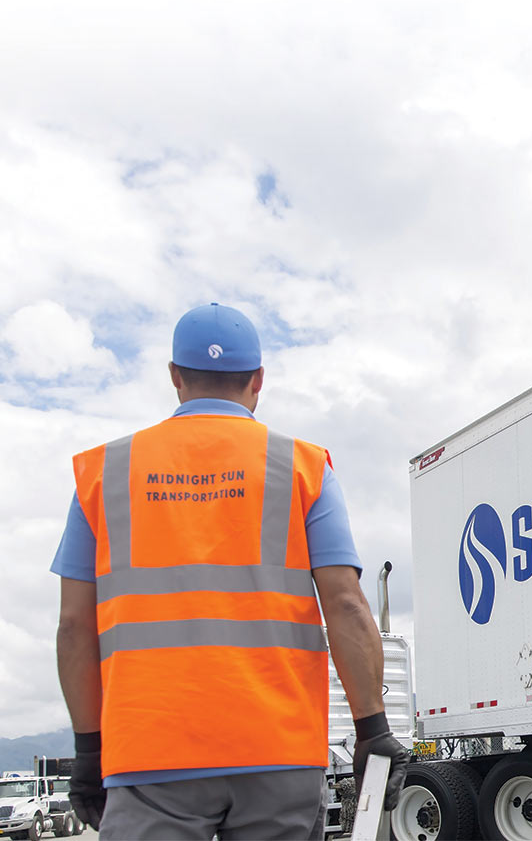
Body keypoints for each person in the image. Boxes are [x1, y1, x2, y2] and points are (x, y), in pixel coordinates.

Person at [50, 303, 407, 839]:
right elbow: (347, 605)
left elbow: (74, 626)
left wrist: (87, 748)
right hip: (278, 750)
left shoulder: (106, 471)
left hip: (150, 752)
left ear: (174, 376)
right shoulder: (303, 467)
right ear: (258, 380)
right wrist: (371, 728)